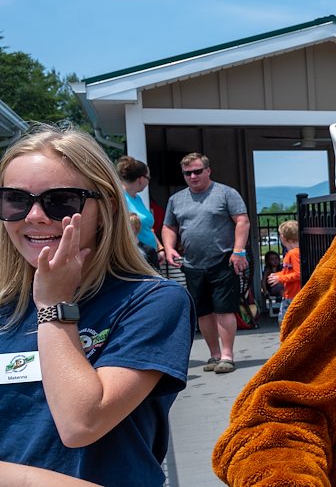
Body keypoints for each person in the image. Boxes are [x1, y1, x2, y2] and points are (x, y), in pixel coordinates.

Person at [0, 124, 192, 485]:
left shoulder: (152, 302)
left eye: (60, 201)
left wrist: (54, 305)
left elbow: (81, 422)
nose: (35, 216)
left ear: (103, 208)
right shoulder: (4, 307)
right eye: (15, 200)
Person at [160, 152, 250, 375]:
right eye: (188, 173)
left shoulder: (226, 193)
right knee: (203, 312)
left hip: (223, 259)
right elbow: (169, 226)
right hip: (191, 263)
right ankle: (214, 355)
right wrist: (169, 248)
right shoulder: (176, 199)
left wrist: (239, 251)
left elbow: (242, 220)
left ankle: (227, 355)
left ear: (208, 170)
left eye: (197, 171)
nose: (193, 176)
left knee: (224, 309)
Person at [114, 156, 162, 272]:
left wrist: (159, 248)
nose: (148, 181)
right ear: (141, 179)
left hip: (149, 254)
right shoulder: (119, 199)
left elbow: (146, 227)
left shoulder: (137, 198)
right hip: (136, 257)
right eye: (148, 178)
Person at [267, 220, 302, 323]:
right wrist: (278, 275)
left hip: (293, 294)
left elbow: (298, 274)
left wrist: (280, 278)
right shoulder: (291, 253)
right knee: (283, 321)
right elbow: (289, 272)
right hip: (290, 294)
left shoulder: (293, 253)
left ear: (283, 237)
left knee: (285, 322)